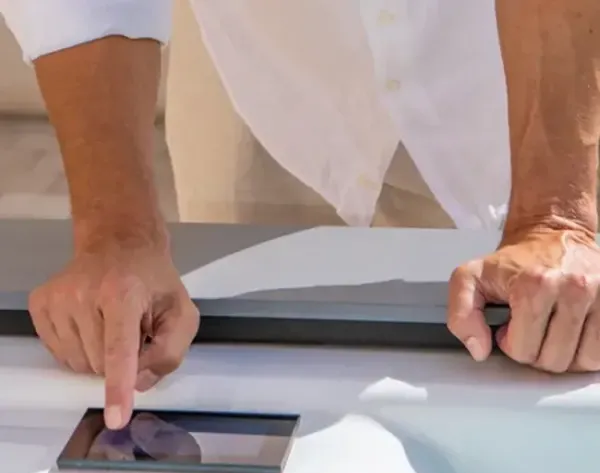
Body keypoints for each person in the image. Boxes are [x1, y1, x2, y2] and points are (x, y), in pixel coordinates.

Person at [1, 0, 599, 430]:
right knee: (221, 363)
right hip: (260, 59)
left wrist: (556, 215)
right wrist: (117, 233)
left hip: (525, 60)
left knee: (548, 349)